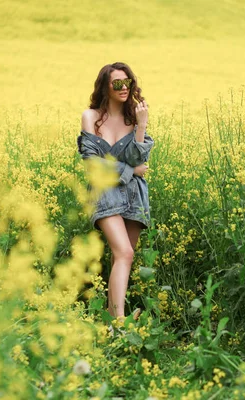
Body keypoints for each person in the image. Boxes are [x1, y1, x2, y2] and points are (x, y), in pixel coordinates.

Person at [77, 62, 154, 327]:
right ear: (105, 87)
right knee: (125, 253)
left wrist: (141, 125)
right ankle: (120, 324)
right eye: (117, 83)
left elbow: (138, 156)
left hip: (134, 195)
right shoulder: (90, 117)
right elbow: (93, 164)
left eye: (128, 82)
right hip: (105, 193)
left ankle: (111, 321)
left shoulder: (134, 119)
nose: (124, 88)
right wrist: (131, 170)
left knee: (121, 255)